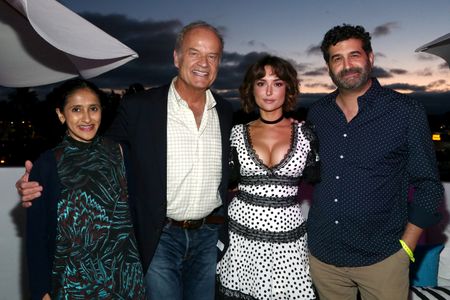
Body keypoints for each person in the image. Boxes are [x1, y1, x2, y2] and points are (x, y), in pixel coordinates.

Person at [17, 21, 234, 300]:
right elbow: (91, 149)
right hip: (159, 237)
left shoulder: (225, 111)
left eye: (212, 56)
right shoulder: (139, 107)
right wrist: (39, 181)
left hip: (207, 236)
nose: (203, 63)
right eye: (194, 53)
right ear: (177, 57)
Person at [306, 24, 444, 300]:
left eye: (354, 55)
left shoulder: (405, 112)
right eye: (337, 58)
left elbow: (429, 186)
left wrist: (407, 245)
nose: (347, 65)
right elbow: (311, 171)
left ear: (370, 57)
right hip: (323, 258)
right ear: (328, 67)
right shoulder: (317, 114)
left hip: (383, 259)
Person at [26, 78, 145, 299]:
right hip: (72, 283)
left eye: (93, 108)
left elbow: (138, 213)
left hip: (125, 280)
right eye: (76, 109)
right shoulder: (48, 163)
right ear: (61, 115)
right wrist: (41, 290)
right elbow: (36, 236)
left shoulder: (120, 154)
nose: (87, 118)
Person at [216, 55, 319, 300]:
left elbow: (323, 185)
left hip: (289, 241)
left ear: (289, 88)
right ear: (252, 89)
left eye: (278, 83)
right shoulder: (236, 134)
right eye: (261, 83)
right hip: (242, 237)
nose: (269, 91)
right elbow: (223, 181)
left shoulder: (306, 134)